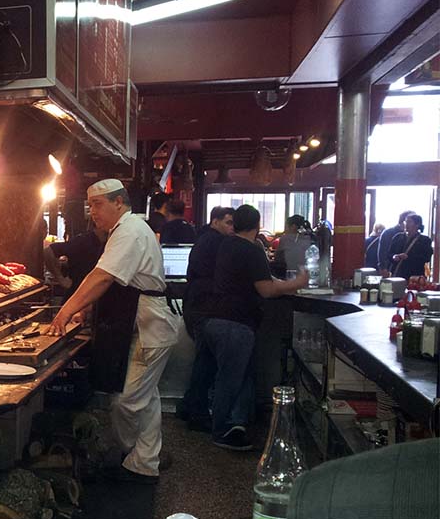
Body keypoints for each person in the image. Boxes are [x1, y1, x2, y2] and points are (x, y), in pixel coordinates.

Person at [50, 179, 182, 483]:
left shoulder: (130, 231)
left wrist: (67, 310)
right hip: (142, 323)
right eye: (89, 205)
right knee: (146, 397)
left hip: (150, 327)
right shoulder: (124, 231)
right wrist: (86, 308)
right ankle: (145, 460)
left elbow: (102, 277)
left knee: (127, 400)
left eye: (97, 204)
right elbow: (117, 281)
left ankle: (132, 454)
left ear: (119, 203)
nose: (91, 212)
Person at [201, 205, 308, 451]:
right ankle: (221, 432)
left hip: (215, 320)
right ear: (257, 225)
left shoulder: (226, 244)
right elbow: (266, 289)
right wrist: (297, 283)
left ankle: (236, 424)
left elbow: (262, 279)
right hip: (235, 324)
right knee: (231, 379)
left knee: (236, 376)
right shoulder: (251, 250)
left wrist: (285, 284)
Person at [177, 206, 235, 432]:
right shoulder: (216, 243)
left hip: (195, 306)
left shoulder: (205, 238)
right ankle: (197, 413)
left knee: (204, 360)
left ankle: (188, 405)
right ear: (215, 221)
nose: (232, 228)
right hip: (204, 308)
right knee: (206, 363)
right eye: (228, 223)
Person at [43, 220, 107, 297]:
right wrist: (61, 279)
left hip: (94, 295)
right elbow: (48, 251)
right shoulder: (83, 241)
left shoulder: (109, 243)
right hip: (76, 293)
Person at [388, 214, 434, 279]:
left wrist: (408, 257)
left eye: (409, 222)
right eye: (405, 222)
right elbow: (389, 254)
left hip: (414, 275)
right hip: (398, 273)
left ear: (417, 225)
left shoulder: (424, 240)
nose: (406, 224)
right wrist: (394, 256)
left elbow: (426, 258)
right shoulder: (398, 237)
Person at [378, 211, 415, 276]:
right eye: (409, 222)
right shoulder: (389, 233)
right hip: (390, 268)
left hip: (406, 270)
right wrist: (383, 268)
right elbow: (382, 252)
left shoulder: (411, 235)